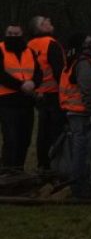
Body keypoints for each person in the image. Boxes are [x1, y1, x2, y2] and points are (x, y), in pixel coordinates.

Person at [58, 33, 91, 200]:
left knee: (81, 151)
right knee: (83, 152)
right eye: (88, 43)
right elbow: (86, 90)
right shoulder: (84, 64)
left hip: (76, 112)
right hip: (82, 114)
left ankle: (79, 186)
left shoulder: (73, 62)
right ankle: (80, 188)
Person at [27, 14, 65, 171]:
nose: (49, 21)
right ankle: (54, 167)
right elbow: (59, 72)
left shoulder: (29, 45)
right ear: (39, 28)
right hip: (54, 94)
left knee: (42, 133)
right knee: (56, 132)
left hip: (38, 95)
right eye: (44, 22)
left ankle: (43, 165)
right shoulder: (51, 43)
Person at [0, 25, 41, 169]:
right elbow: (1, 75)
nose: (12, 36)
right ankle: (7, 172)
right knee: (10, 139)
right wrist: (21, 85)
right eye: (10, 33)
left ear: (21, 33)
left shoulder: (30, 51)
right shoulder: (1, 49)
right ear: (5, 33)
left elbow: (38, 72)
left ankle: (19, 170)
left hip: (27, 101)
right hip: (7, 101)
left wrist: (33, 82)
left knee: (24, 139)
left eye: (16, 33)